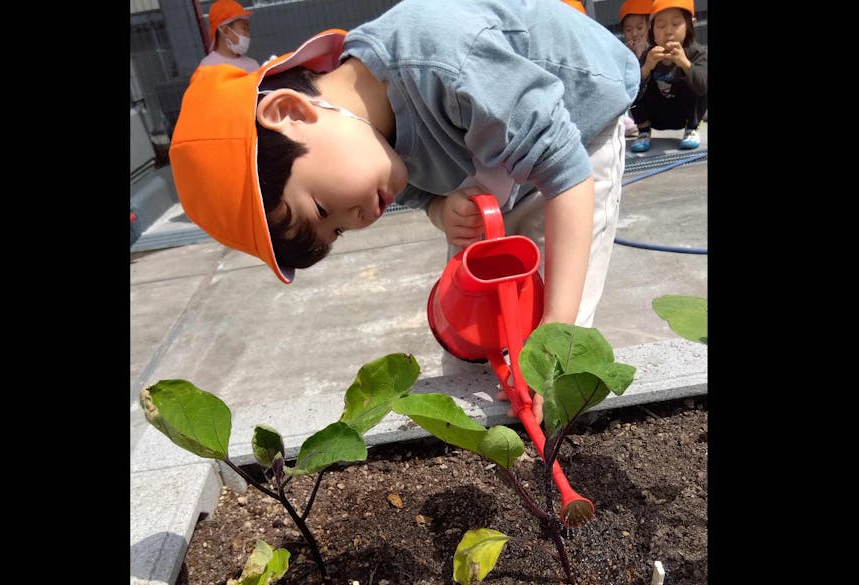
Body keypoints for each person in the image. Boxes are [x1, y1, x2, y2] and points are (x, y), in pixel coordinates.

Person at [169, 0, 639, 421]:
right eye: (339, 232)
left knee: (550, 322)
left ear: (291, 112)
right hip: (494, 146)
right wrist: (438, 206)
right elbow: (416, 186)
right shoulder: (368, 148)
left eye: (321, 207)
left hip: (578, 117)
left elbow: (566, 174)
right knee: (473, 313)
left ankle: (552, 415)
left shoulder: (440, 55)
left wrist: (555, 330)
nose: (356, 220)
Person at [629, 0, 707, 152]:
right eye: (661, 26)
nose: (668, 31)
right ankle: (643, 131)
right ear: (652, 30)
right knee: (638, 78)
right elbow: (631, 90)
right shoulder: (649, 55)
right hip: (656, 116)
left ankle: (691, 128)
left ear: (690, 24)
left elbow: (703, 86)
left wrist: (684, 63)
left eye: (676, 24)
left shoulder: (697, 53)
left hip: (684, 114)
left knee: (698, 76)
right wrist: (647, 67)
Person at [619, 0, 653, 137]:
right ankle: (627, 119)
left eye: (640, 28)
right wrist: (633, 55)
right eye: (628, 30)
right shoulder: (623, 51)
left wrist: (642, 55)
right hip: (637, 105)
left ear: (650, 26)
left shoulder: (656, 46)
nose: (634, 34)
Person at [198, 0, 260, 72]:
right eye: (244, 28)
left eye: (248, 29)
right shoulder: (207, 67)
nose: (248, 34)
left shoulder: (253, 65)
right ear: (225, 30)